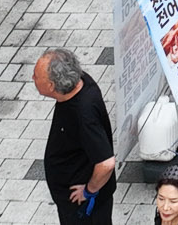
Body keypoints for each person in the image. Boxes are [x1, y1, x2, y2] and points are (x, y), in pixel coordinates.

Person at [34, 48, 116, 225]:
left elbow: (106, 163)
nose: (33, 79)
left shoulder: (83, 115)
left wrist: (89, 191)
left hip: (83, 205)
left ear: (51, 86)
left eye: (36, 76)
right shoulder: (80, 81)